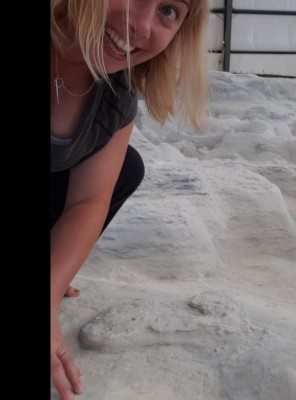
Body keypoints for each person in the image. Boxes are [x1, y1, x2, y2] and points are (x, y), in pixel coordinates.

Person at [50, 0, 209, 398]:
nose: (139, 24)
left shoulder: (116, 99)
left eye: (169, 10)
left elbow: (87, 201)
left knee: (126, 168)